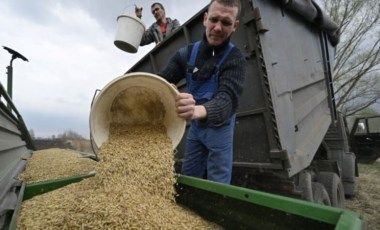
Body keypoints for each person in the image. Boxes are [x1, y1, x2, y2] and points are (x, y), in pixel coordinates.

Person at [157, 0, 246, 184]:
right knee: (190, 178)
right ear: (205, 19)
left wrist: (195, 110)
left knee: (218, 185)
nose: (218, 28)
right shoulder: (186, 54)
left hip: (221, 131)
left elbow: (226, 101)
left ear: (235, 26)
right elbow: (159, 81)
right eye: (214, 19)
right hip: (196, 131)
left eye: (226, 22)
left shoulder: (235, 59)